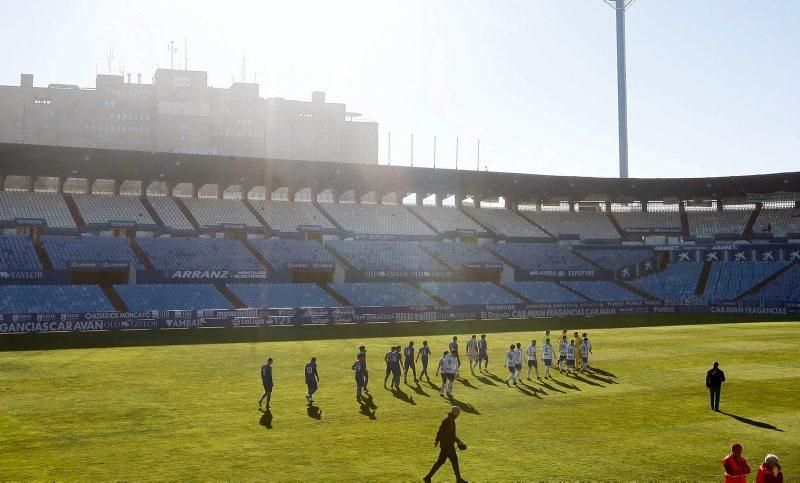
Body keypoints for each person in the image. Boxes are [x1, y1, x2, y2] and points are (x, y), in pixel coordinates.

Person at [423, 406, 467, 483]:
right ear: (454, 412)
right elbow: (450, 435)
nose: (458, 415)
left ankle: (427, 477)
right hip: (448, 445)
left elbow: (440, 429)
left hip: (444, 444)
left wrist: (437, 440)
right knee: (455, 461)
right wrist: (458, 441)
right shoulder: (449, 420)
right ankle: (459, 480)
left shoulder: (447, 418)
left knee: (440, 461)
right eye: (458, 413)